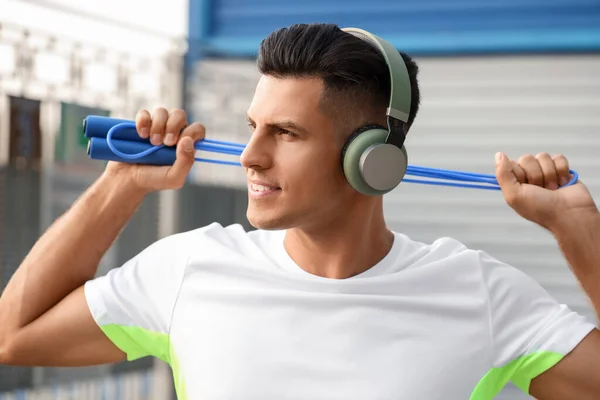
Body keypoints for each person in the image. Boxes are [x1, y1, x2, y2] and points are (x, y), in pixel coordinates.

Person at [0, 23, 599, 400]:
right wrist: (121, 184)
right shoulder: (190, 267)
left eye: (285, 133)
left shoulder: (479, 292)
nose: (252, 157)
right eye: (253, 128)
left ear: (373, 158)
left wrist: (578, 229)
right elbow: (13, 336)